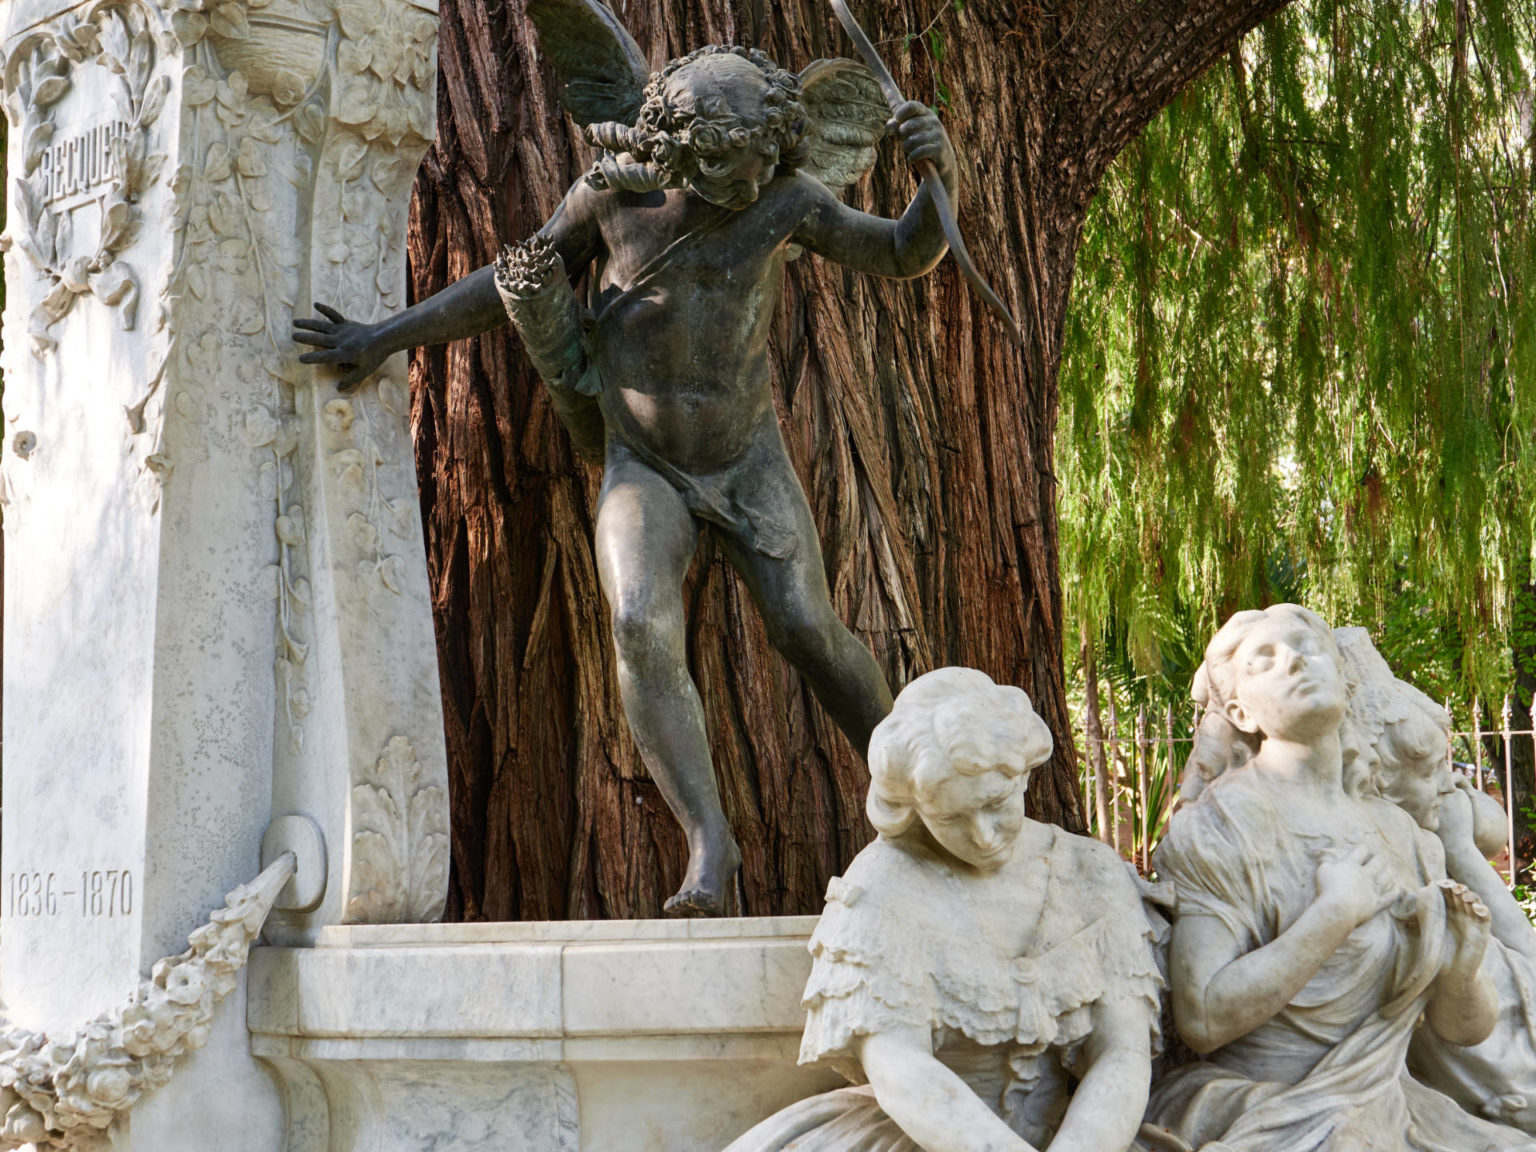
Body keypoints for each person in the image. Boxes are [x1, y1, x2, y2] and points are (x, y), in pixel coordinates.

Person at [292, 46, 959, 914]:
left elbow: (905, 252)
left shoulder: (787, 199)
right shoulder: (612, 196)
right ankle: (710, 847)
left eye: (766, 163)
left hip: (745, 456)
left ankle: (918, 795)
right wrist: (385, 335)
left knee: (806, 625)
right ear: (686, 150)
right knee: (640, 620)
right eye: (735, 165)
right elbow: (509, 280)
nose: (755, 183)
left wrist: (939, 173)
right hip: (643, 459)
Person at [725, 667, 1162, 1152]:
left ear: (1021, 775)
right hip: (931, 1138)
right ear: (914, 808)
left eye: (996, 804)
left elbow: (1121, 1050)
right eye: (951, 817)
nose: (983, 835)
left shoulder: (1091, 873)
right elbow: (900, 1066)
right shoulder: (882, 887)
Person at [1148, 604, 1535, 1152]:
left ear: (1342, 681)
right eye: (1266, 660)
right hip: (1269, 1103)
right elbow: (1204, 1016)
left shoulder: (1400, 834)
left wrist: (1463, 968)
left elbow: (1462, 1030)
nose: (1296, 662)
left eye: (1309, 649)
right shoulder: (1219, 827)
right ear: (1240, 710)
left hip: (1388, 1103)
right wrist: (1333, 915)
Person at [1334, 628, 1536, 1135]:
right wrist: (1461, 853)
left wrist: (1463, 850)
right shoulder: (1395, 872)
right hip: (1503, 1076)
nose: (1450, 784)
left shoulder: (1437, 849)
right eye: (1430, 772)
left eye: (1448, 764)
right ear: (1376, 780)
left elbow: (1527, 956)